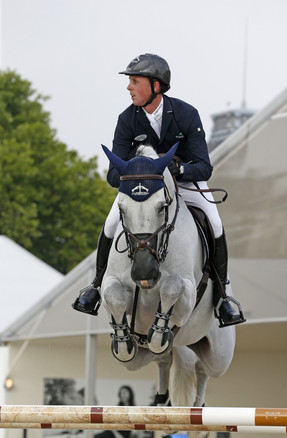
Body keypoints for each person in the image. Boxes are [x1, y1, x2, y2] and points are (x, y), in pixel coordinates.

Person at [73, 53, 244, 327]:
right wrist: (141, 174)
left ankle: (223, 295)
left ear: (155, 86)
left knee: (215, 222)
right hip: (141, 189)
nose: (128, 87)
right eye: (129, 81)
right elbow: (113, 175)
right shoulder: (127, 119)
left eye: (135, 81)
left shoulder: (186, 114)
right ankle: (95, 286)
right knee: (109, 224)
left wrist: (177, 171)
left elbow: (204, 167)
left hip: (184, 184)